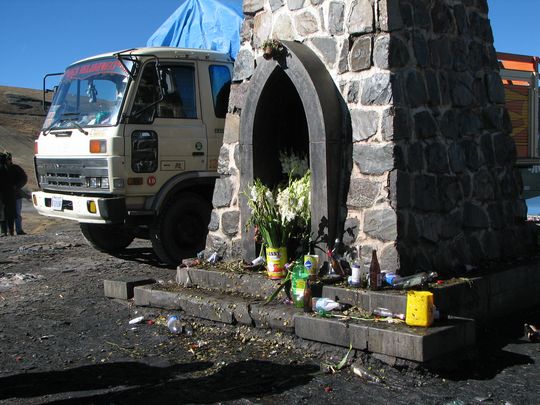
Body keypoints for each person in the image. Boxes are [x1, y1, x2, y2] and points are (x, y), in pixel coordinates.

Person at [7, 153, 28, 235]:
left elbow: (24, 178)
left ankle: (19, 230)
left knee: (17, 214)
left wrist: (17, 186)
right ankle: (9, 231)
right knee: (7, 215)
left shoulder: (15, 168)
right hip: (6, 196)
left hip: (16, 195)